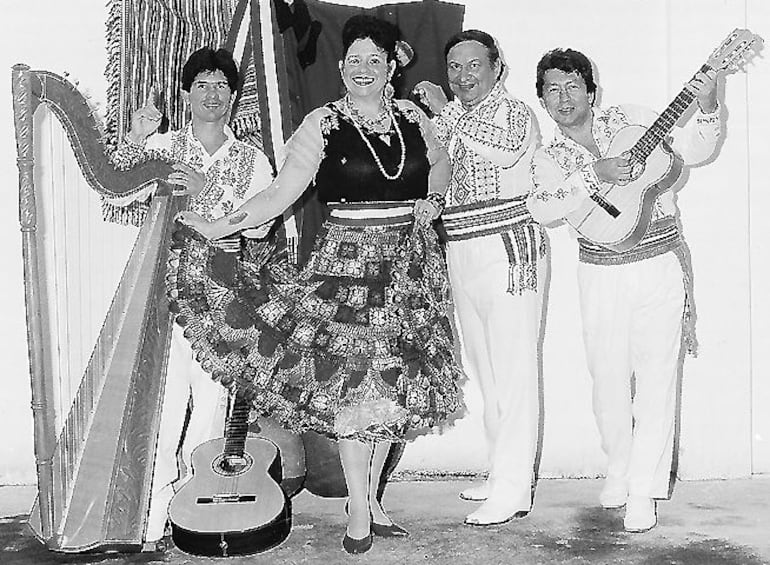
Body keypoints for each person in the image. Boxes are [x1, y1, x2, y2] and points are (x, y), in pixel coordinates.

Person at [173, 15, 462, 554]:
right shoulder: (322, 123)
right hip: (347, 266)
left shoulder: (415, 118)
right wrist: (221, 224)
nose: (363, 69)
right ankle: (357, 505)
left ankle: (370, 500)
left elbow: (441, 165)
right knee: (357, 390)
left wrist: (434, 200)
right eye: (353, 59)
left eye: (374, 59)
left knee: (396, 390)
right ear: (341, 65)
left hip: (411, 264)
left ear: (392, 65)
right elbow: (281, 192)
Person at [528, 48, 721, 532]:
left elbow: (695, 151)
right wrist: (595, 175)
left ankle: (643, 490)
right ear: (544, 102)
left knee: (658, 380)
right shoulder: (548, 159)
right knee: (608, 382)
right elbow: (541, 207)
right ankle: (619, 465)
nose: (564, 96)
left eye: (573, 85)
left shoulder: (634, 121)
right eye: (553, 89)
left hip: (660, 264)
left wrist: (710, 106)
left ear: (592, 91)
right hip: (600, 271)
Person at [109, 46, 275, 548]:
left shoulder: (251, 159)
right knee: (162, 405)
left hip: (223, 298)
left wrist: (208, 193)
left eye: (221, 86)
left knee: (209, 404)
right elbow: (114, 193)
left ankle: (193, 506)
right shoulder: (161, 146)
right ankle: (154, 512)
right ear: (186, 94)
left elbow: (263, 223)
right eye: (201, 84)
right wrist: (135, 138)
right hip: (161, 294)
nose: (212, 94)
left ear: (233, 97)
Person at [413, 30, 545, 526]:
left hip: (508, 244)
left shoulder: (512, 113)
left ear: (497, 69)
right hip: (463, 245)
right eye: (454, 68)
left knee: (513, 374)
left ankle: (514, 489)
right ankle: (501, 473)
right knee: (487, 374)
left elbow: (503, 152)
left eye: (473, 66)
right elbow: (439, 170)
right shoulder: (454, 119)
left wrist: (445, 112)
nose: (463, 76)